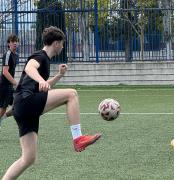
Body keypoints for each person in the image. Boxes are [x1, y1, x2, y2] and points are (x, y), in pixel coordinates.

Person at [2, 26, 101, 180]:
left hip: (22, 108)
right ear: (56, 43)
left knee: (28, 158)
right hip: (26, 102)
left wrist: (58, 76)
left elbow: (43, 87)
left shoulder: (45, 60)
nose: (62, 46)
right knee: (71, 94)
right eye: (62, 43)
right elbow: (29, 68)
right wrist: (41, 80)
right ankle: (78, 138)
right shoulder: (40, 56)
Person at [0, 34, 19, 128]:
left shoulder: (16, 55)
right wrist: (15, 83)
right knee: (3, 108)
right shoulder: (7, 54)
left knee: (18, 103)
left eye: (16, 41)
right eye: (12, 41)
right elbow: (5, 72)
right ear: (9, 43)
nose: (15, 43)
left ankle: (3, 118)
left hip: (10, 86)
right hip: (4, 85)